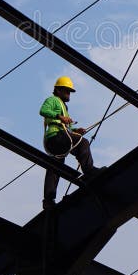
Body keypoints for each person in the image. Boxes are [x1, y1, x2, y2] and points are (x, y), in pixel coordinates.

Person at [40, 76, 101, 210]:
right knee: (83, 143)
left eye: (69, 92)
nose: (69, 94)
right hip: (56, 136)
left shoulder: (63, 106)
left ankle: (48, 200)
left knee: (55, 167)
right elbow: (43, 111)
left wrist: (75, 130)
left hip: (58, 138)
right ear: (59, 90)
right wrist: (60, 116)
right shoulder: (52, 100)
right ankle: (89, 171)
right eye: (67, 91)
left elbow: (64, 127)